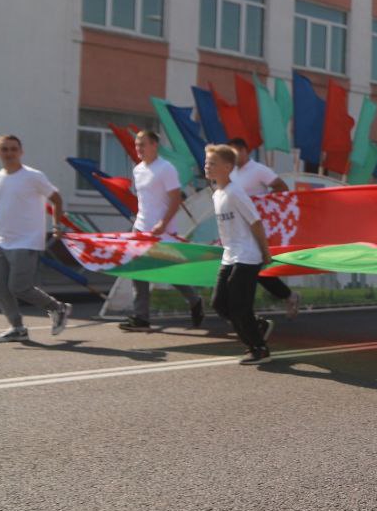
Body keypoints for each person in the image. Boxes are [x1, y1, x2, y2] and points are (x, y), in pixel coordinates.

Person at [0, 135, 71, 342]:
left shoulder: (33, 176)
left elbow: (56, 198)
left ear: (21, 152)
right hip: (2, 241)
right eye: (5, 149)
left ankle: (58, 308)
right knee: (0, 288)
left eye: (13, 149)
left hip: (28, 240)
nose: (9, 153)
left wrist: (57, 225)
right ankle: (17, 328)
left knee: (19, 287)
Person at [119, 130, 205, 332]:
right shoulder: (138, 169)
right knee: (137, 271)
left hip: (163, 231)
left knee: (170, 272)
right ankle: (141, 317)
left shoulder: (166, 168)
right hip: (140, 228)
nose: (139, 148)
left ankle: (194, 300)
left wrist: (163, 223)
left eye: (143, 144)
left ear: (154, 145)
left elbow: (176, 199)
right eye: (137, 145)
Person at [205, 144, 274, 365]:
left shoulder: (236, 192)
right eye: (206, 162)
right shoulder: (217, 194)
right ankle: (257, 326)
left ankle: (258, 347)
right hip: (229, 255)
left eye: (212, 163)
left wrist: (265, 252)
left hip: (247, 256)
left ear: (227, 167)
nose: (207, 166)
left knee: (238, 306)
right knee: (219, 304)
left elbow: (255, 222)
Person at [228, 138, 300, 319]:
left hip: (256, 228)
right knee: (249, 271)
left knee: (248, 269)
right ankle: (287, 296)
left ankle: (244, 315)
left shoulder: (258, 170)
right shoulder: (232, 173)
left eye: (235, 152)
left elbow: (281, 187)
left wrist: (262, 203)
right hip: (237, 228)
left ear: (245, 151)